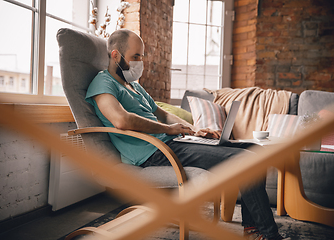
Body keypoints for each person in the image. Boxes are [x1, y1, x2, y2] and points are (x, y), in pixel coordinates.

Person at [85, 29, 290, 240]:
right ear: (115, 55)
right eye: (135, 57)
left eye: (141, 56)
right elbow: (121, 120)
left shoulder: (134, 86)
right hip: (154, 152)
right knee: (246, 160)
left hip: (173, 143)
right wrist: (167, 130)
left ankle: (253, 228)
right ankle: (269, 235)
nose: (140, 62)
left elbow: (162, 113)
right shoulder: (103, 83)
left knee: (255, 150)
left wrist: (194, 130)